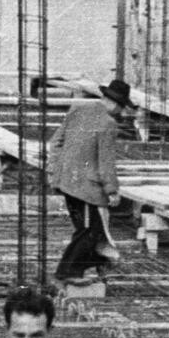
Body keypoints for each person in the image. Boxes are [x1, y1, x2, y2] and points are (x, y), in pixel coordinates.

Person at [50, 78, 135, 286]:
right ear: (116, 104)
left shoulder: (77, 110)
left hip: (66, 182)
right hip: (86, 188)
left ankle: (92, 264)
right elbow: (105, 161)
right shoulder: (108, 123)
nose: (120, 113)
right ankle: (67, 272)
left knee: (86, 230)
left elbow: (55, 143)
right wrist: (112, 191)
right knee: (89, 231)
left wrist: (60, 169)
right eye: (121, 109)